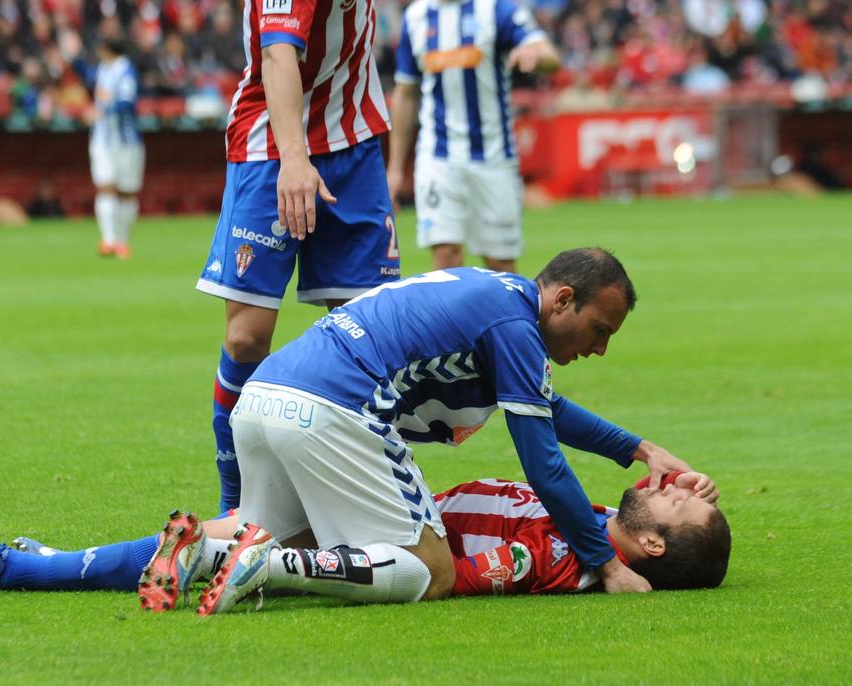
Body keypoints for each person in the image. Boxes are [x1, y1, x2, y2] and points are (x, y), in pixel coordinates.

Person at [158, 248, 709, 616]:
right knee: (432, 570)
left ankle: (188, 553)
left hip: (265, 396)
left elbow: (548, 408)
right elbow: (542, 464)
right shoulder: (514, 329)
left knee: (265, 531)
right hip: (334, 411)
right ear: (563, 299)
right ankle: (267, 568)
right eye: (599, 329)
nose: (599, 348)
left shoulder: (500, 299)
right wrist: (606, 563)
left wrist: (639, 449)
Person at [0, 471, 730, 604]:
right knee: (216, 531)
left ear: (652, 548)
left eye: (673, 507)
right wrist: (684, 491)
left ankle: (22, 572)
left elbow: (449, 576)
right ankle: (46, 565)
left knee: (220, 540)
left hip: (382, 531)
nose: (665, 490)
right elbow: (635, 515)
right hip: (387, 507)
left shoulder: (559, 556)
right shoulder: (596, 527)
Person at [197, 0, 400, 515]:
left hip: (353, 140)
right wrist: (294, 159)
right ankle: (236, 507)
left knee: (370, 338)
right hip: (272, 144)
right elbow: (278, 54)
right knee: (246, 337)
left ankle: (366, 504)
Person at [386, 0, 560, 274]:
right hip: (437, 155)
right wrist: (394, 168)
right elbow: (406, 92)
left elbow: (551, 57)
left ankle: (503, 317)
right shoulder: (416, 16)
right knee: (446, 254)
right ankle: (448, 319)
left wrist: (535, 55)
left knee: (500, 263)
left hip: (494, 156)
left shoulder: (497, 9)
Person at [87, 38, 141, 259]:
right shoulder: (102, 69)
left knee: (126, 192)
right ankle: (108, 240)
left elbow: (128, 102)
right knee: (105, 186)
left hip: (126, 142)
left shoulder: (126, 71)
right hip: (102, 139)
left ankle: (122, 240)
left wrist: (106, 107)